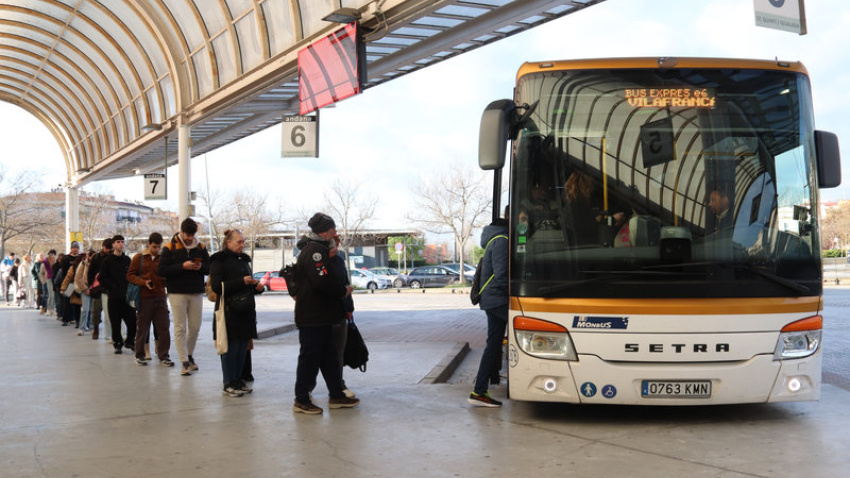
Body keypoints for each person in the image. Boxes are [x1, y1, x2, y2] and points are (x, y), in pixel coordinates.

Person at [291, 213, 359, 414]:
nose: (334, 233)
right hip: (312, 316)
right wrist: (342, 291)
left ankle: (336, 395)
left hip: (324, 315)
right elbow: (321, 282)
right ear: (324, 231)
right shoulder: (315, 252)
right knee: (309, 359)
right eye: (332, 230)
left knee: (330, 357)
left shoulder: (318, 249)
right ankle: (301, 399)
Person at [209, 229, 263, 397]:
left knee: (242, 348)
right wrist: (242, 281)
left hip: (245, 310)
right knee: (229, 348)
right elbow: (217, 287)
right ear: (228, 242)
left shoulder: (244, 260)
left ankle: (238, 380)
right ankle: (229, 382)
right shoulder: (219, 260)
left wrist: (256, 287)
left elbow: (247, 285)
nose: (242, 245)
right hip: (228, 310)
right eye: (238, 242)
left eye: (243, 242)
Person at [468, 207, 509, 408]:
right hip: (497, 300)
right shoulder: (502, 241)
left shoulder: (494, 239)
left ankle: (480, 390)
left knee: (493, 344)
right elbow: (502, 275)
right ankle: (480, 389)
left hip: (492, 299)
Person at [158, 218, 210, 376]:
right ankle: (184, 361)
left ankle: (189, 355)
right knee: (180, 327)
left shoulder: (200, 247)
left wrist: (200, 267)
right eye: (187, 235)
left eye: (192, 234)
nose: (189, 238)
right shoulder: (169, 248)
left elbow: (208, 269)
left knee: (195, 327)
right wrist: (182, 266)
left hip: (196, 291)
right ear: (181, 232)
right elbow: (162, 271)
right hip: (177, 293)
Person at [127, 233, 173, 368]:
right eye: (154, 246)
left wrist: (164, 280)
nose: (156, 249)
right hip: (144, 297)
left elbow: (167, 274)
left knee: (164, 326)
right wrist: (143, 282)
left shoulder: (163, 258)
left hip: (160, 296)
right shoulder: (138, 258)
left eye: (159, 247)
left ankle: (164, 355)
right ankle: (139, 355)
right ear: (149, 244)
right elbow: (130, 275)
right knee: (142, 327)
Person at [328, 235, 356, 398]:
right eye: (333, 245)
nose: (336, 248)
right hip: (322, 314)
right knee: (317, 354)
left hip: (340, 312)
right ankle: (307, 387)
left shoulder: (338, 261)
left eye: (337, 245)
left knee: (338, 352)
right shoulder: (317, 262)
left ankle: (339, 385)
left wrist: (349, 307)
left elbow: (346, 283)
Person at [99, 235, 136, 354]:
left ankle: (130, 341)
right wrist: (112, 286)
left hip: (126, 297)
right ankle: (117, 343)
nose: (121, 244)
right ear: (113, 245)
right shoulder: (107, 261)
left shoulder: (127, 260)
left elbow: (132, 276)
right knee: (115, 323)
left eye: (122, 242)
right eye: (118, 242)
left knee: (132, 322)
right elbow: (101, 278)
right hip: (113, 297)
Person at [87, 239, 113, 341]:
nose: (108, 250)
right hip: (97, 289)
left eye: (110, 248)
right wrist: (91, 286)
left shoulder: (112, 257)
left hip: (109, 288)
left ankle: (110, 332)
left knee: (110, 312)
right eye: (107, 248)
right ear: (103, 247)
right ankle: (96, 328)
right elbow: (90, 273)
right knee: (96, 310)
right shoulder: (96, 257)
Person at [74, 250, 94, 335]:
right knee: (85, 309)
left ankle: (92, 327)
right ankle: (82, 328)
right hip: (85, 288)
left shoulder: (98, 264)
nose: (92, 258)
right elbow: (78, 278)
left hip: (95, 289)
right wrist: (85, 288)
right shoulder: (82, 264)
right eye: (91, 256)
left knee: (93, 310)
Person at [60, 255, 84, 328]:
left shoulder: (88, 266)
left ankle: (82, 322)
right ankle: (78, 321)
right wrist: (63, 288)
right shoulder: (73, 268)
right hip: (75, 289)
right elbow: (67, 278)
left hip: (84, 289)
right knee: (77, 307)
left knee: (84, 308)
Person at [41, 250, 56, 316]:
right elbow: (41, 273)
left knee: (52, 295)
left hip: (54, 280)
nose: (53, 259)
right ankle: (49, 309)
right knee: (50, 295)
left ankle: (51, 308)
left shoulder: (55, 264)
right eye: (52, 257)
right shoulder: (45, 264)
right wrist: (43, 281)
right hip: (48, 280)